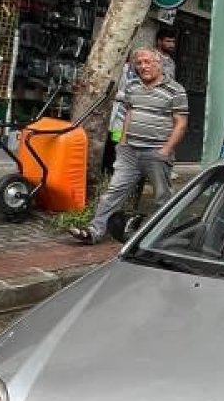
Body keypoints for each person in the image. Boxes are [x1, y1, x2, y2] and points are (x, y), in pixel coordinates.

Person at [71, 48, 187, 244]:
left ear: (158, 64)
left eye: (147, 62)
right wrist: (123, 143)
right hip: (130, 152)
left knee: (162, 197)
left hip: (156, 153)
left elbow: (181, 123)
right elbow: (129, 115)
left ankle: (161, 237)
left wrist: (166, 150)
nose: (143, 66)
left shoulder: (175, 90)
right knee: (113, 193)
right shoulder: (133, 87)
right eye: (139, 63)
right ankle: (94, 231)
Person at [104, 29, 179, 173]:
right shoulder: (128, 70)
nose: (144, 65)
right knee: (117, 143)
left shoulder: (169, 65)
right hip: (125, 114)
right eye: (140, 62)